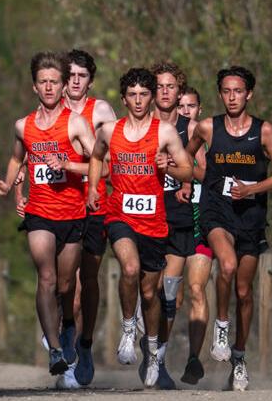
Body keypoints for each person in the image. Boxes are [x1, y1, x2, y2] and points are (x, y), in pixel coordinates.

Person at [0, 52, 95, 377]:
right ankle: (54, 350)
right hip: (40, 214)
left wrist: (66, 165)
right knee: (46, 278)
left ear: (64, 86)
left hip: (73, 214)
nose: (49, 87)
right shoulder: (24, 125)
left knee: (65, 285)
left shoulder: (75, 123)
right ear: (34, 86)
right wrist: (8, 185)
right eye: (43, 82)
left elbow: (100, 166)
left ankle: (66, 324)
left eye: (54, 82)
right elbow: (15, 158)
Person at [86, 67, 193, 389]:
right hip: (118, 215)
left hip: (154, 222)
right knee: (129, 269)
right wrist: (93, 187)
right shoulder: (108, 130)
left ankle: (153, 352)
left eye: (143, 94)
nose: (138, 100)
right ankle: (128, 328)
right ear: (123, 98)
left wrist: (171, 165)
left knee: (150, 292)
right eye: (131, 95)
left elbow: (189, 171)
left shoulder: (165, 133)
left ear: (150, 97)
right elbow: (96, 157)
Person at [185, 66, 272, 391]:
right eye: (227, 91)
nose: (232, 97)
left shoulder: (264, 131)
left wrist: (251, 189)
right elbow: (185, 158)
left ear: (249, 94)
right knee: (226, 265)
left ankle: (239, 359)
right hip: (217, 210)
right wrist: (186, 180)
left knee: (244, 292)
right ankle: (221, 327)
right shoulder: (207, 127)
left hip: (250, 214)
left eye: (238, 91)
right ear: (220, 94)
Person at [59, 49, 117, 389]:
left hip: (96, 202)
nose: (75, 81)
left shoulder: (102, 112)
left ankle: (84, 344)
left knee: (87, 281)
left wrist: (74, 166)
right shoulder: (53, 112)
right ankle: (63, 342)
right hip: (61, 203)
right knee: (64, 284)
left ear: (90, 81)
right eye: (70, 75)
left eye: (81, 75)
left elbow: (109, 160)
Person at [148, 61, 193, 389]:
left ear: (180, 92)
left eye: (170, 86)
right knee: (146, 287)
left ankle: (158, 360)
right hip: (145, 216)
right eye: (159, 86)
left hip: (178, 218)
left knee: (171, 295)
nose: (165, 92)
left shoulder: (192, 128)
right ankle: (145, 337)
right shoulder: (138, 126)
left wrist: (175, 168)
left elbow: (199, 171)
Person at [175, 87, 214, 384]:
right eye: (181, 105)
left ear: (199, 109)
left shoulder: (205, 137)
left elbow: (208, 176)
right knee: (171, 297)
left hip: (202, 219)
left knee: (197, 290)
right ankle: (156, 354)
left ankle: (193, 359)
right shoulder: (166, 136)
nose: (186, 110)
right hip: (174, 220)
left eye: (191, 106)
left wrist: (187, 171)